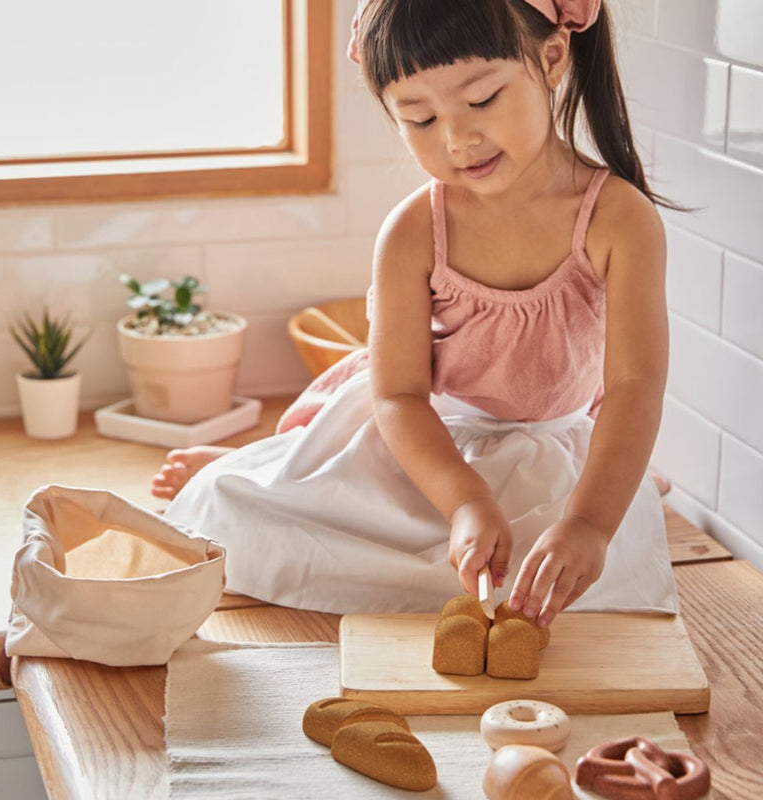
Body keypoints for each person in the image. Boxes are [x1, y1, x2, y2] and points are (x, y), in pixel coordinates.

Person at [159, 0, 678, 626]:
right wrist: (463, 503)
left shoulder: (619, 219)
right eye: (420, 118)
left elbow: (633, 387)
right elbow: (400, 396)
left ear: (551, 58)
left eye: (482, 100)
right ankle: (268, 461)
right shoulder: (411, 231)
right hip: (430, 446)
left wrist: (589, 524)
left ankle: (286, 460)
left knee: (577, 586)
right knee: (227, 507)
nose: (458, 139)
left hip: (551, 449)